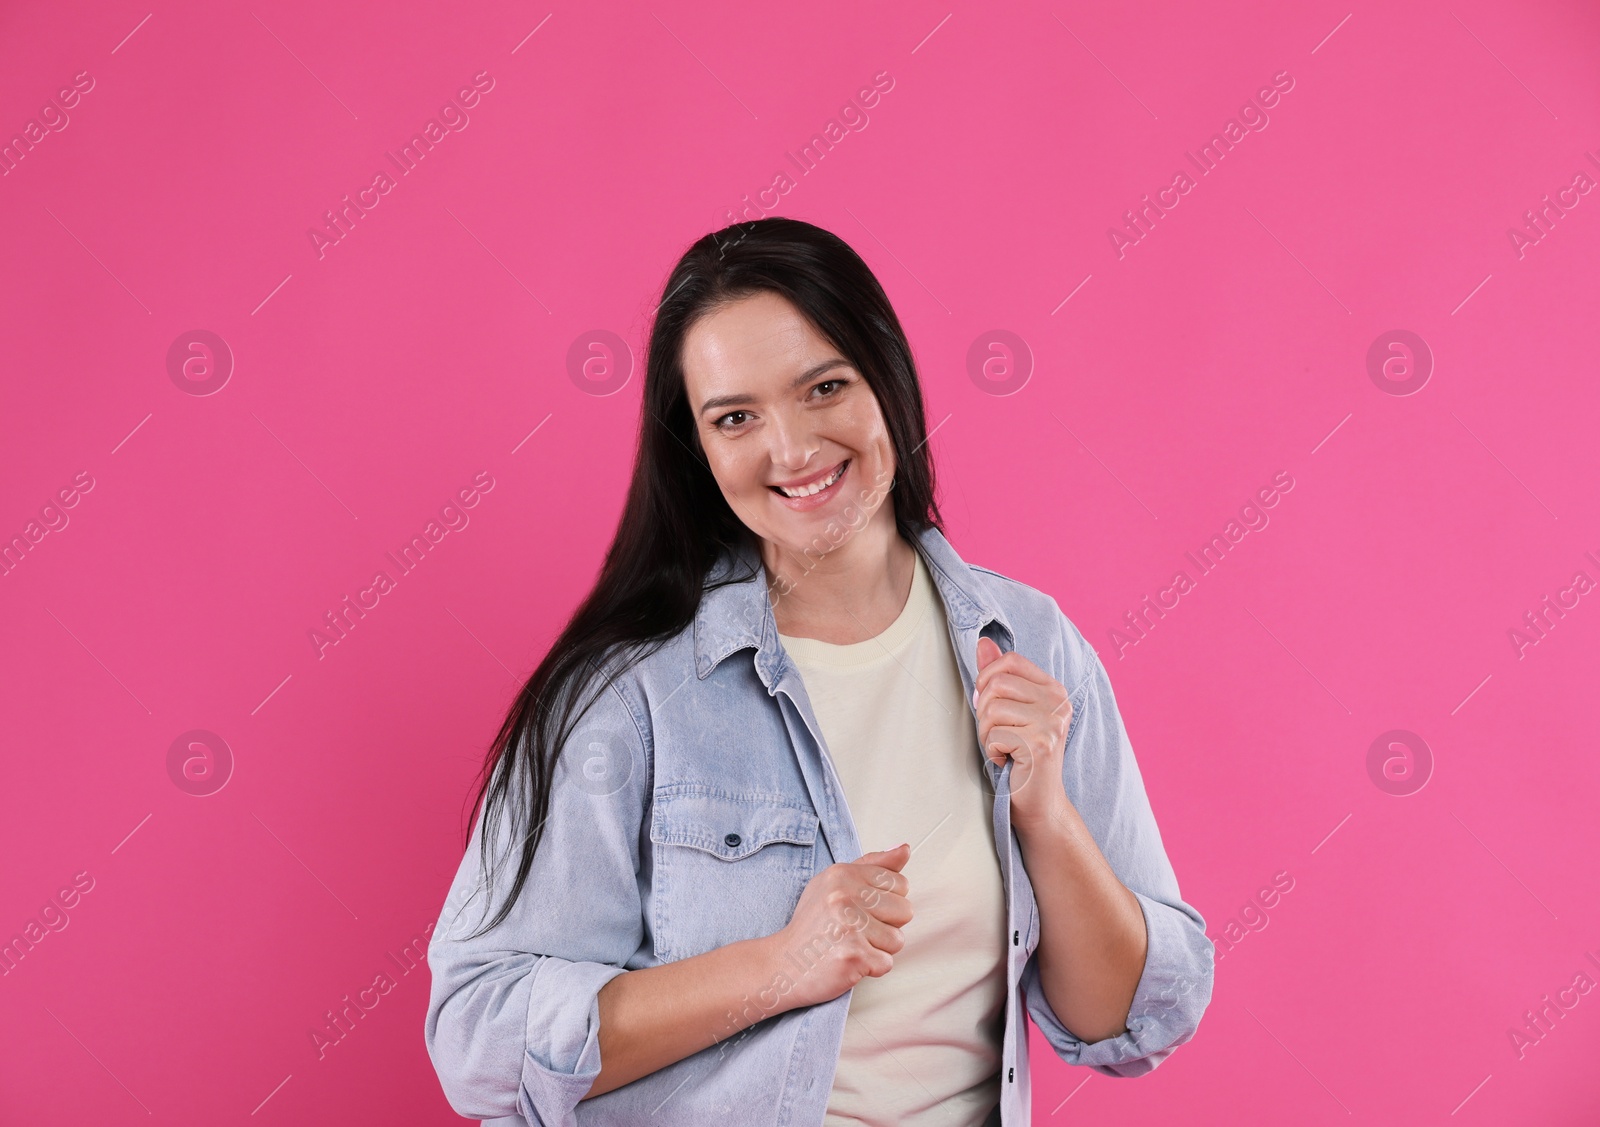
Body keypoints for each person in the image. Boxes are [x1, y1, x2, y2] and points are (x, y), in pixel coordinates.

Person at [424, 216, 1213, 1127]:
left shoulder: (1031, 641)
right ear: (699, 448)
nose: (792, 450)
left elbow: (1132, 1021)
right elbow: (475, 1039)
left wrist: (1046, 813)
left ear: (888, 382)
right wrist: (776, 966)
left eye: (824, 387)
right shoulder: (627, 692)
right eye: (736, 417)